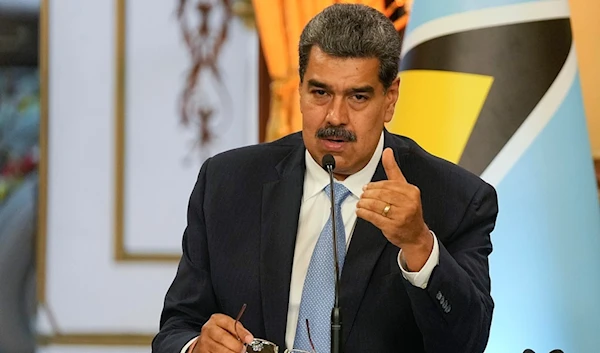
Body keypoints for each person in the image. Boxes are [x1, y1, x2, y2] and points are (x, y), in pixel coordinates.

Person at [152, 4, 498, 353]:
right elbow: (176, 328)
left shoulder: (457, 199)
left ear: (390, 99)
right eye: (320, 93)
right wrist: (197, 347)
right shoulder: (228, 183)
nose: (335, 116)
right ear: (300, 90)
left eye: (358, 97)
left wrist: (419, 244)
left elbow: (466, 343)